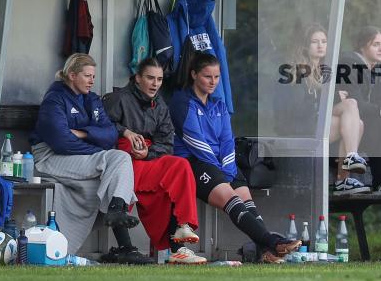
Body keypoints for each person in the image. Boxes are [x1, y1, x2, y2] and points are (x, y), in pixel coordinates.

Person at [170, 53, 300, 263]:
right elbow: (195, 141)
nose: (213, 82)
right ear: (194, 74)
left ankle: (264, 252)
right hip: (195, 162)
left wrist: (228, 168)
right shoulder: (182, 101)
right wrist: (219, 171)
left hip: (223, 164)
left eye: (216, 77)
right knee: (233, 199)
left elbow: (227, 140)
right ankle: (273, 242)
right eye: (207, 76)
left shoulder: (219, 104)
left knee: (248, 204)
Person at [29, 53, 152, 264]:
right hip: (50, 157)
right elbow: (61, 142)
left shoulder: (92, 99)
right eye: (87, 76)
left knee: (105, 181)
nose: (92, 80)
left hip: (77, 157)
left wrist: (84, 133)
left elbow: (110, 135)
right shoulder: (55, 98)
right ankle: (119, 220)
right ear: (72, 75)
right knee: (120, 158)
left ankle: (121, 246)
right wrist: (96, 147)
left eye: (93, 76)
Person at [103, 57, 206, 265]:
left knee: (181, 165)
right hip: (121, 160)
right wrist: (125, 132)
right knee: (127, 169)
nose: (155, 84)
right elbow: (100, 127)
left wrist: (147, 153)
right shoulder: (118, 98)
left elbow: (167, 144)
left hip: (147, 158)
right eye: (150, 78)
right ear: (137, 78)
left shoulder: (160, 104)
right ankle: (127, 248)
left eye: (159, 79)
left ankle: (182, 231)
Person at [280, 23, 370, 195]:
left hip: (317, 118)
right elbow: (298, 109)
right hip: (301, 125)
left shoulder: (324, 70)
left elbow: (323, 102)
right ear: (306, 45)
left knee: (355, 117)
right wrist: (332, 97)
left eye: (324, 41)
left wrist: (334, 96)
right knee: (353, 119)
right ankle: (344, 177)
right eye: (315, 42)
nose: (320, 45)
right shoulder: (297, 71)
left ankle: (348, 167)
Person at [337, 26, 381, 194]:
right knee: (376, 122)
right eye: (376, 44)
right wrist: (380, 109)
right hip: (349, 120)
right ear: (362, 46)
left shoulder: (378, 68)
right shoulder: (349, 64)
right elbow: (355, 101)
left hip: (367, 117)